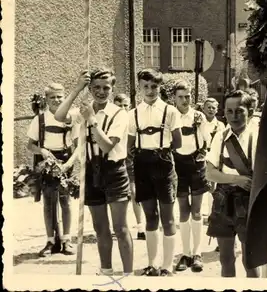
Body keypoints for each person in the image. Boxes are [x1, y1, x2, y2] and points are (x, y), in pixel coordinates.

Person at [54, 68, 133, 276]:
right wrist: (77, 88)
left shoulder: (120, 114)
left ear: (112, 88)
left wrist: (92, 120)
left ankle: (128, 275)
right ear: (90, 88)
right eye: (96, 87)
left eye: (106, 88)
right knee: (100, 227)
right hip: (90, 172)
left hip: (114, 172)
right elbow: (59, 115)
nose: (101, 91)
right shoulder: (84, 110)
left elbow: (107, 146)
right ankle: (106, 271)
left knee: (120, 228)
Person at [128, 69, 182, 276]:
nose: (150, 91)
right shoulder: (133, 113)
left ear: (160, 87)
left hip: (164, 163)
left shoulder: (170, 111)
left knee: (167, 218)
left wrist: (161, 148)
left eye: (154, 86)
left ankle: (167, 265)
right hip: (142, 164)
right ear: (139, 88)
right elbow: (129, 145)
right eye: (146, 87)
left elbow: (177, 142)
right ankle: (153, 263)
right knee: (150, 216)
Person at [205, 89, 260, 278]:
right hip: (223, 202)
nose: (234, 116)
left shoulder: (258, 137)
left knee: (250, 261)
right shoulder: (220, 137)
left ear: (250, 112)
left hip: (249, 203)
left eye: (240, 111)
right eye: (229, 111)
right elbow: (210, 173)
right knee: (226, 259)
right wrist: (237, 179)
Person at [27, 83, 79, 257]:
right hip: (46, 162)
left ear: (64, 97)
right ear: (47, 99)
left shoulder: (71, 117)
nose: (56, 100)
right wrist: (42, 150)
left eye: (59, 97)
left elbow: (79, 146)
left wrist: (69, 163)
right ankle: (50, 241)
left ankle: (66, 240)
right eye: (52, 97)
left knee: (65, 200)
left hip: (65, 160)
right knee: (49, 202)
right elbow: (30, 145)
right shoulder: (39, 119)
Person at [173, 81, 212, 272]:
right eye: (180, 96)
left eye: (187, 96)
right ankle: (185, 253)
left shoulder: (198, 116)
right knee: (183, 211)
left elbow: (207, 139)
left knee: (196, 211)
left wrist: (203, 154)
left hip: (196, 165)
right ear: (174, 98)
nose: (184, 100)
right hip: (177, 165)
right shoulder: (170, 116)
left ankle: (197, 253)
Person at [113, 94, 145, 240]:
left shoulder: (133, 120)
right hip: (115, 160)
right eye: (119, 105)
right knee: (118, 195)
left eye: (126, 105)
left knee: (134, 192)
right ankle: (119, 225)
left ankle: (140, 226)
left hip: (131, 159)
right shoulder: (112, 120)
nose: (123, 108)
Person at [201, 97, 226, 224]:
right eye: (208, 107)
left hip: (214, 156)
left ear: (217, 110)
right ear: (203, 108)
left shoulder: (220, 125)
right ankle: (200, 212)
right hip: (201, 155)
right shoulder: (200, 122)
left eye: (213, 108)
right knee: (201, 185)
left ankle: (212, 213)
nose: (211, 110)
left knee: (213, 185)